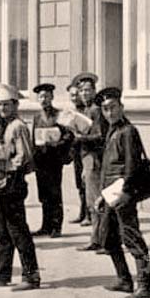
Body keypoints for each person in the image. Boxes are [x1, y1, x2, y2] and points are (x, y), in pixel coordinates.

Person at [97, 87, 150, 298]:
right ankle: (124, 279)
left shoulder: (128, 131)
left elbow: (131, 167)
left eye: (113, 108)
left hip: (123, 195)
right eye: (105, 109)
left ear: (121, 107)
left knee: (132, 239)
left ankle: (145, 286)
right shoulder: (112, 131)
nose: (109, 113)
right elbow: (107, 168)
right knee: (108, 239)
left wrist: (126, 193)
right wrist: (102, 196)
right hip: (110, 195)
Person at [0, 84, 41, 291]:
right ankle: (2, 274)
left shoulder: (18, 126)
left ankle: (31, 276)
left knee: (18, 231)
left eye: (6, 104)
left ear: (16, 105)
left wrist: (1, 164)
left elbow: (24, 156)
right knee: (1, 231)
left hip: (14, 183)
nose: (2, 108)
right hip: (4, 183)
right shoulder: (5, 125)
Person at [71, 72, 107, 252]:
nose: (84, 94)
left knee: (96, 201)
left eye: (88, 90)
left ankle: (100, 239)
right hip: (87, 158)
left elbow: (101, 136)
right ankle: (97, 238)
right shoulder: (83, 110)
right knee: (92, 201)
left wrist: (80, 138)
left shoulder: (96, 110)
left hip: (95, 158)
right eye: (81, 90)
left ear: (94, 91)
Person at [30, 83, 71, 237]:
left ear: (52, 97)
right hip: (41, 159)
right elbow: (33, 137)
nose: (44, 100)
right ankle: (45, 225)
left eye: (46, 96)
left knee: (54, 193)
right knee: (43, 194)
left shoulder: (59, 115)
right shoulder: (36, 116)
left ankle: (56, 226)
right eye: (41, 97)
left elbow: (68, 136)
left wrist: (57, 142)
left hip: (54, 159)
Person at [65, 82, 88, 225]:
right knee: (79, 183)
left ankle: (89, 214)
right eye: (71, 95)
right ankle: (82, 212)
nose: (74, 98)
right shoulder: (69, 111)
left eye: (76, 94)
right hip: (76, 152)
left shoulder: (85, 110)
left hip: (86, 150)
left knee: (87, 183)